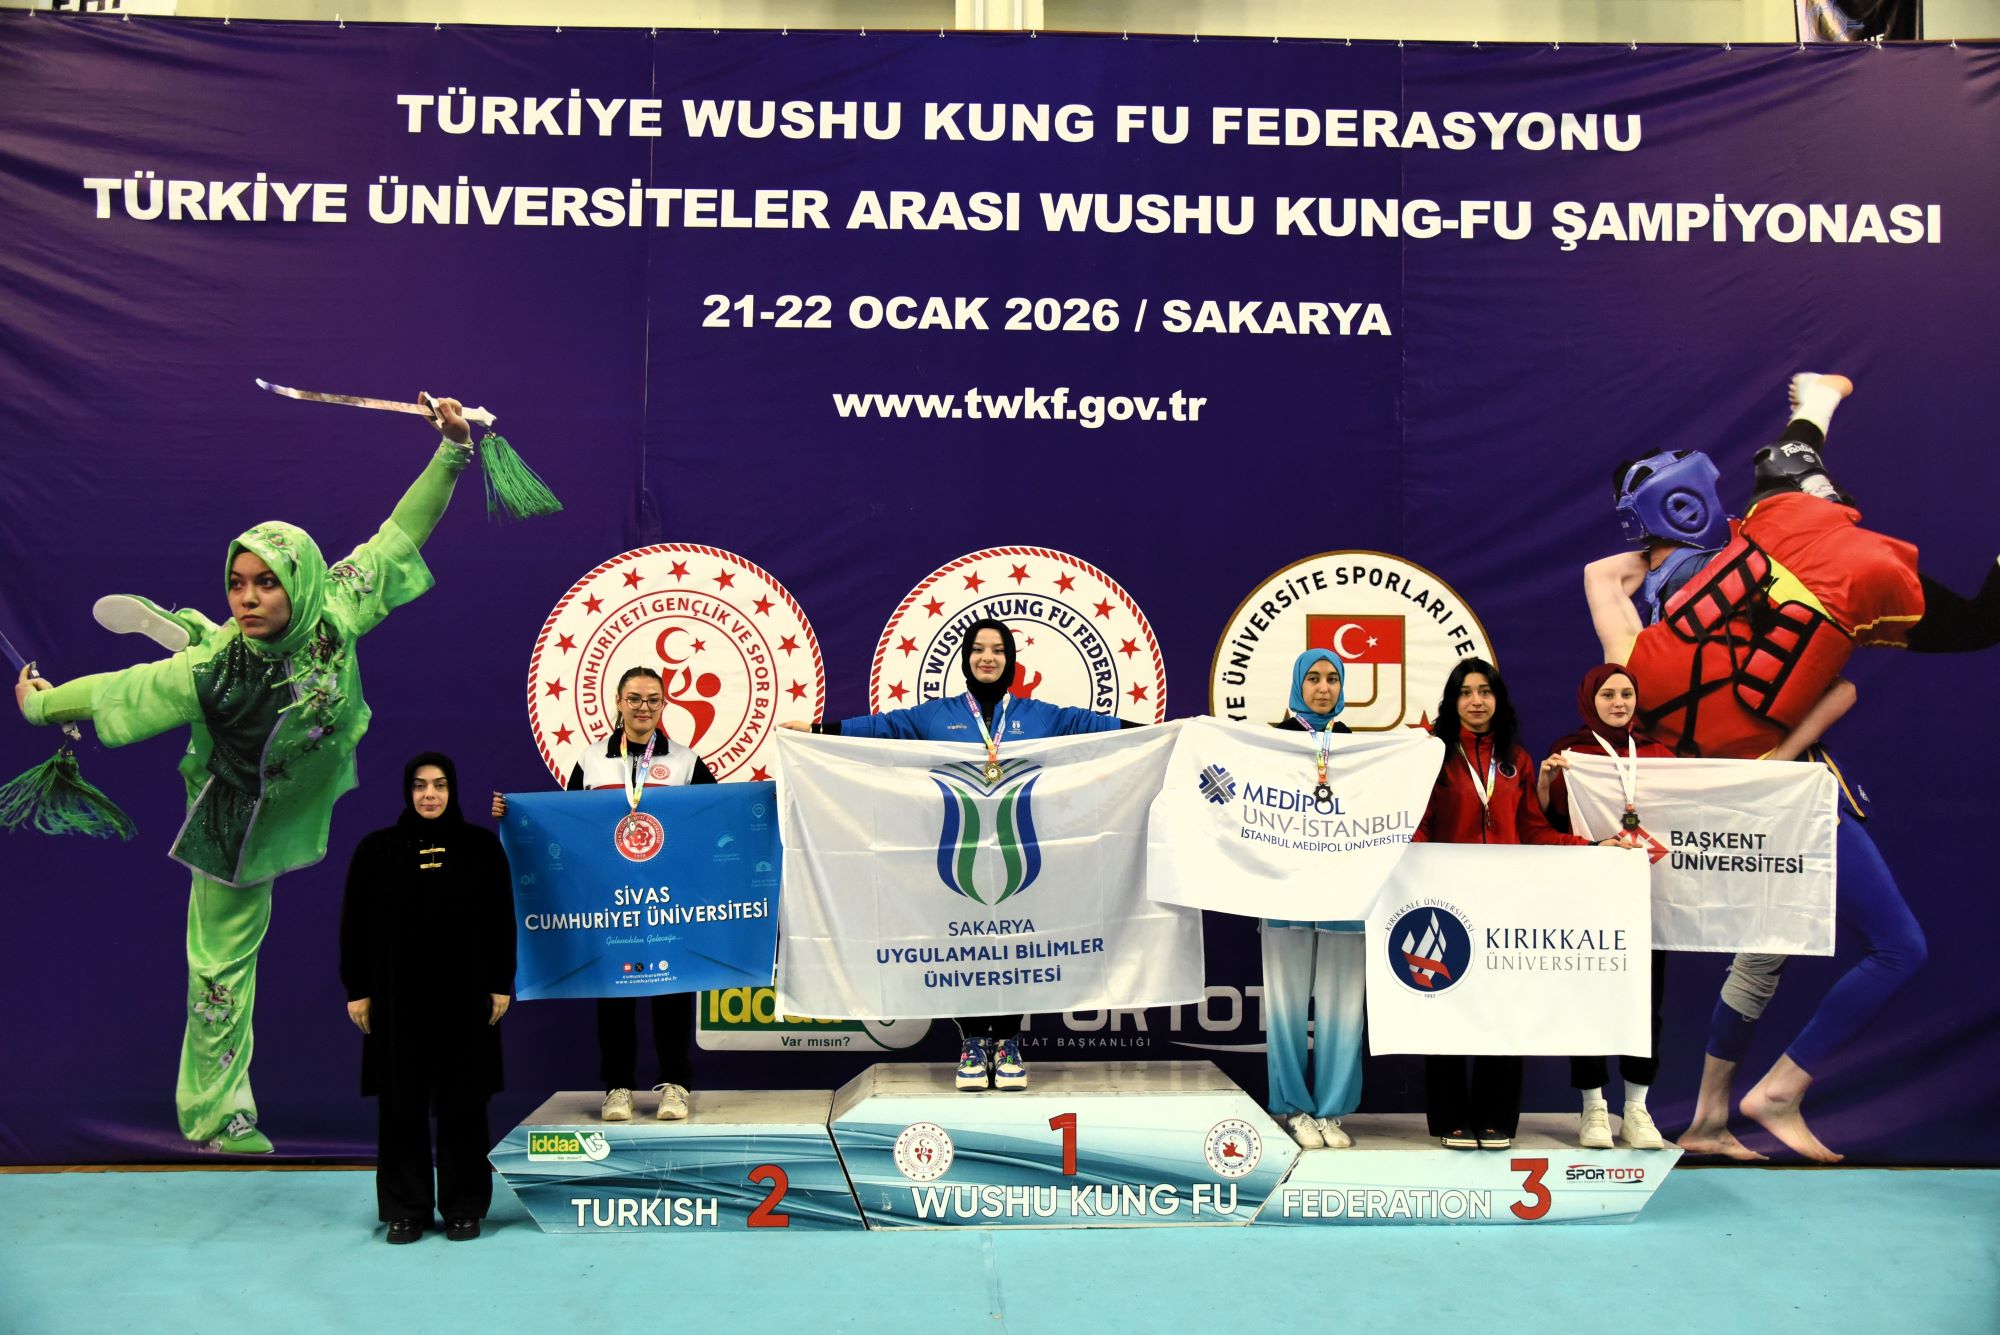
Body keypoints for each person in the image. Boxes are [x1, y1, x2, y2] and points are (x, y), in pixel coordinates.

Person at [13, 397, 478, 1152]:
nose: (251, 596)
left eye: (265, 583)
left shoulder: (335, 607)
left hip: (295, 783)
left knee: (216, 648)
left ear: (301, 582)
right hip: (235, 814)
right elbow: (112, 692)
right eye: (237, 584)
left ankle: (188, 623)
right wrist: (41, 705)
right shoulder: (209, 676)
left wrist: (454, 448)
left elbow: (400, 533)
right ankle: (218, 1114)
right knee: (220, 972)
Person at [1580, 371, 1976, 1161]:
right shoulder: (1725, 574)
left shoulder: (1675, 611)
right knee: (1891, 945)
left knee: (1764, 949)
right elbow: (1837, 690)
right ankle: (1775, 1091)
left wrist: (1681, 544)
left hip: (1750, 784)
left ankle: (1710, 1116)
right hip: (1774, 785)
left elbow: (1606, 576)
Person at [780, 618, 1125, 1092]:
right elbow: (883, 728)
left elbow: (1095, 728)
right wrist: (819, 729)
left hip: (1020, 852)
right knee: (965, 947)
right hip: (955, 853)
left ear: (1010, 660)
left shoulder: (1039, 715)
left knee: (1016, 946)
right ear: (966, 658)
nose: (987, 658)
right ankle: (972, 1043)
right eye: (978, 649)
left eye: (997, 650)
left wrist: (1164, 734)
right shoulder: (937, 716)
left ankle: (1008, 1042)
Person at [1411, 657, 1623, 1150]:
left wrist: (1593, 848)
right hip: (1447, 901)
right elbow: (1419, 826)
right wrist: (1413, 867)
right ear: (1452, 701)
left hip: (1506, 904)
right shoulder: (1433, 756)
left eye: (1485, 691)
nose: (1476, 701)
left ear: (1498, 699)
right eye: (1466, 692)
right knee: (1446, 1006)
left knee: (1503, 1009)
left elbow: (1533, 829)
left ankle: (1496, 1117)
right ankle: (1450, 1117)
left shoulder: (1517, 760)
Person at [493, 664, 716, 1123]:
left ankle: (676, 1085)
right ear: (618, 702)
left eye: (653, 700)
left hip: (667, 900)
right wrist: (512, 813)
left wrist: (762, 804)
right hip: (612, 901)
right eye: (634, 699)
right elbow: (565, 822)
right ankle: (617, 1088)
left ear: (664, 704)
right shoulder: (592, 760)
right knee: (613, 991)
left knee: (674, 988)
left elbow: (715, 818)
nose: (643, 708)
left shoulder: (685, 761)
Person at [341, 753, 514, 1244]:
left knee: (464, 1103)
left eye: (439, 785)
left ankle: (464, 1206)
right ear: (408, 791)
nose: (429, 795)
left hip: (465, 997)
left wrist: (500, 982)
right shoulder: (377, 850)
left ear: (452, 790)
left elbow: (501, 919)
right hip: (397, 1000)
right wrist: (358, 990)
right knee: (401, 1104)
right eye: (420, 786)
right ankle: (406, 1208)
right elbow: (354, 925)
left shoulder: (481, 848)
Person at [1539, 663, 1676, 1151]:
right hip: (1589, 899)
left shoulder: (1660, 755)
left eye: (1626, 694)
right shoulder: (1572, 754)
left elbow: (1691, 808)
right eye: (1608, 695)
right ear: (1589, 699)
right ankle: (1593, 1107)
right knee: (1589, 1000)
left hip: (1648, 899)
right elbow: (1548, 821)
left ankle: (1636, 1108)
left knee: (1646, 1004)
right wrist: (1547, 782)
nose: (1619, 703)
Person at [1262, 649, 1363, 1150]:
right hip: (1285, 891)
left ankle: (1331, 1111)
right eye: (1314, 679)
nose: (1324, 688)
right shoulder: (1271, 743)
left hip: (1346, 894)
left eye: (1333, 679)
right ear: (1297, 685)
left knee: (1345, 1004)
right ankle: (1293, 1109)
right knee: (1284, 1003)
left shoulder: (1360, 748)